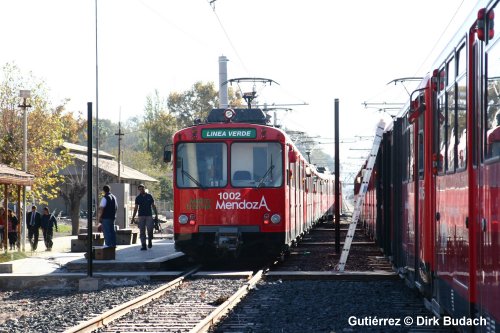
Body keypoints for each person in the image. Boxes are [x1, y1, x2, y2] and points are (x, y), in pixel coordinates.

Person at [131, 184, 158, 251]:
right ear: (138, 190)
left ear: (144, 188)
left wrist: (156, 215)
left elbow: (153, 206)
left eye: (142, 189)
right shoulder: (138, 198)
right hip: (141, 216)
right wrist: (133, 217)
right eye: (140, 189)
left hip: (149, 215)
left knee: (150, 229)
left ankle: (149, 240)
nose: (141, 190)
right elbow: (136, 208)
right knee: (142, 231)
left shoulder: (149, 196)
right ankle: (143, 245)